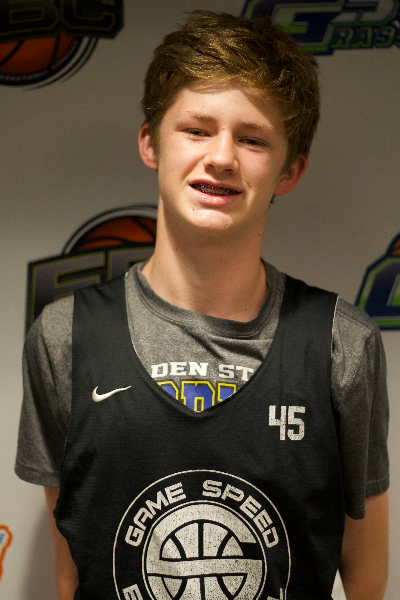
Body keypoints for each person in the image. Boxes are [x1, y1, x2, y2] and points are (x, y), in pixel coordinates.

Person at [15, 11, 389, 600]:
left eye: (252, 138)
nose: (222, 157)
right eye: (196, 129)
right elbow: (74, 567)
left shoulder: (343, 344)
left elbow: (365, 573)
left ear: (289, 170)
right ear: (151, 143)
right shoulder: (65, 337)